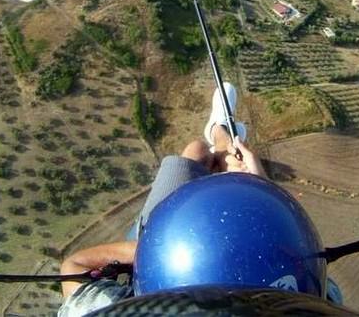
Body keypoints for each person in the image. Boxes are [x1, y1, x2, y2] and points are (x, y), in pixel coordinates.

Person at [58, 83, 311, 316]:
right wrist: (261, 192)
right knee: (219, 159)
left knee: (196, 152)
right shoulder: (319, 299)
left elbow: (74, 264)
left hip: (161, 240)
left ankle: (221, 136)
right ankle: (222, 133)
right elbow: (309, 261)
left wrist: (154, 248)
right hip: (168, 253)